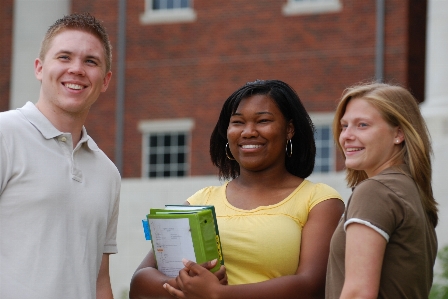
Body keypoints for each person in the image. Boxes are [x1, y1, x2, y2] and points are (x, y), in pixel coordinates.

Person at [130, 79, 344, 299]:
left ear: (289, 129)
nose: (248, 132)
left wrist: (218, 294)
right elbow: (140, 282)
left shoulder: (319, 200)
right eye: (238, 122)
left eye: (263, 121)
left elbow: (311, 285)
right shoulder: (201, 200)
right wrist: (185, 286)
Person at [0, 13, 120, 299]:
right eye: (64, 57)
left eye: (90, 61)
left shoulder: (108, 173)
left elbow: (100, 281)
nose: (76, 69)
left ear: (105, 81)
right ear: (40, 68)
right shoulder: (5, 134)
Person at [325, 82, 438, 299]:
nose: (346, 136)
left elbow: (358, 293)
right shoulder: (411, 191)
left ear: (399, 134)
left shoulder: (375, 191)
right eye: (344, 125)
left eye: (362, 125)